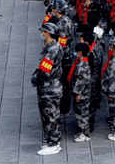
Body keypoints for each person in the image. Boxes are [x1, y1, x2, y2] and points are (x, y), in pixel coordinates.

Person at [31, 22, 64, 156]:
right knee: (50, 115)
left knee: (50, 117)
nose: (42, 34)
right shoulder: (54, 46)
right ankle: (50, 140)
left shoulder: (51, 50)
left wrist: (34, 79)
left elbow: (44, 71)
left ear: (48, 33)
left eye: (43, 32)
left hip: (48, 89)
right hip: (52, 87)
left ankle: (53, 144)